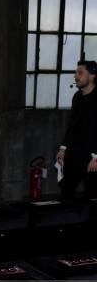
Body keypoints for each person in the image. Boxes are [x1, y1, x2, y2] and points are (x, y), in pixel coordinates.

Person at [56, 60, 97, 199]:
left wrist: (96, 156)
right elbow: (71, 125)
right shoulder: (77, 97)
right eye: (76, 72)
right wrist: (63, 148)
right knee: (66, 191)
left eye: (80, 72)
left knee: (92, 195)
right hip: (74, 153)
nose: (76, 76)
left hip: (92, 157)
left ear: (91, 75)